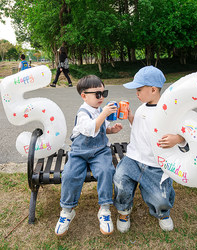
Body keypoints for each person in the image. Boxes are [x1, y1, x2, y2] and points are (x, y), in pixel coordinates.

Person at [113, 66, 186, 233]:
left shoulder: (168, 111)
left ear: (153, 89)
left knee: (160, 196)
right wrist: (131, 117)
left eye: (139, 90)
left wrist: (177, 138)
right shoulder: (142, 108)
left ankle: (163, 213)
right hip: (133, 158)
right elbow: (139, 127)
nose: (137, 94)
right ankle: (124, 211)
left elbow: (185, 132)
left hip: (155, 164)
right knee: (120, 180)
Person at [55, 75, 123, 236]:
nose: (101, 98)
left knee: (106, 171)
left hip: (99, 151)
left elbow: (101, 128)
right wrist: (104, 114)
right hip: (79, 152)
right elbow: (90, 129)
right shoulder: (83, 112)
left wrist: (111, 130)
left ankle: (104, 209)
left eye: (103, 93)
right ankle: (67, 210)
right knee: (70, 174)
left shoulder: (100, 110)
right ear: (84, 96)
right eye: (97, 94)